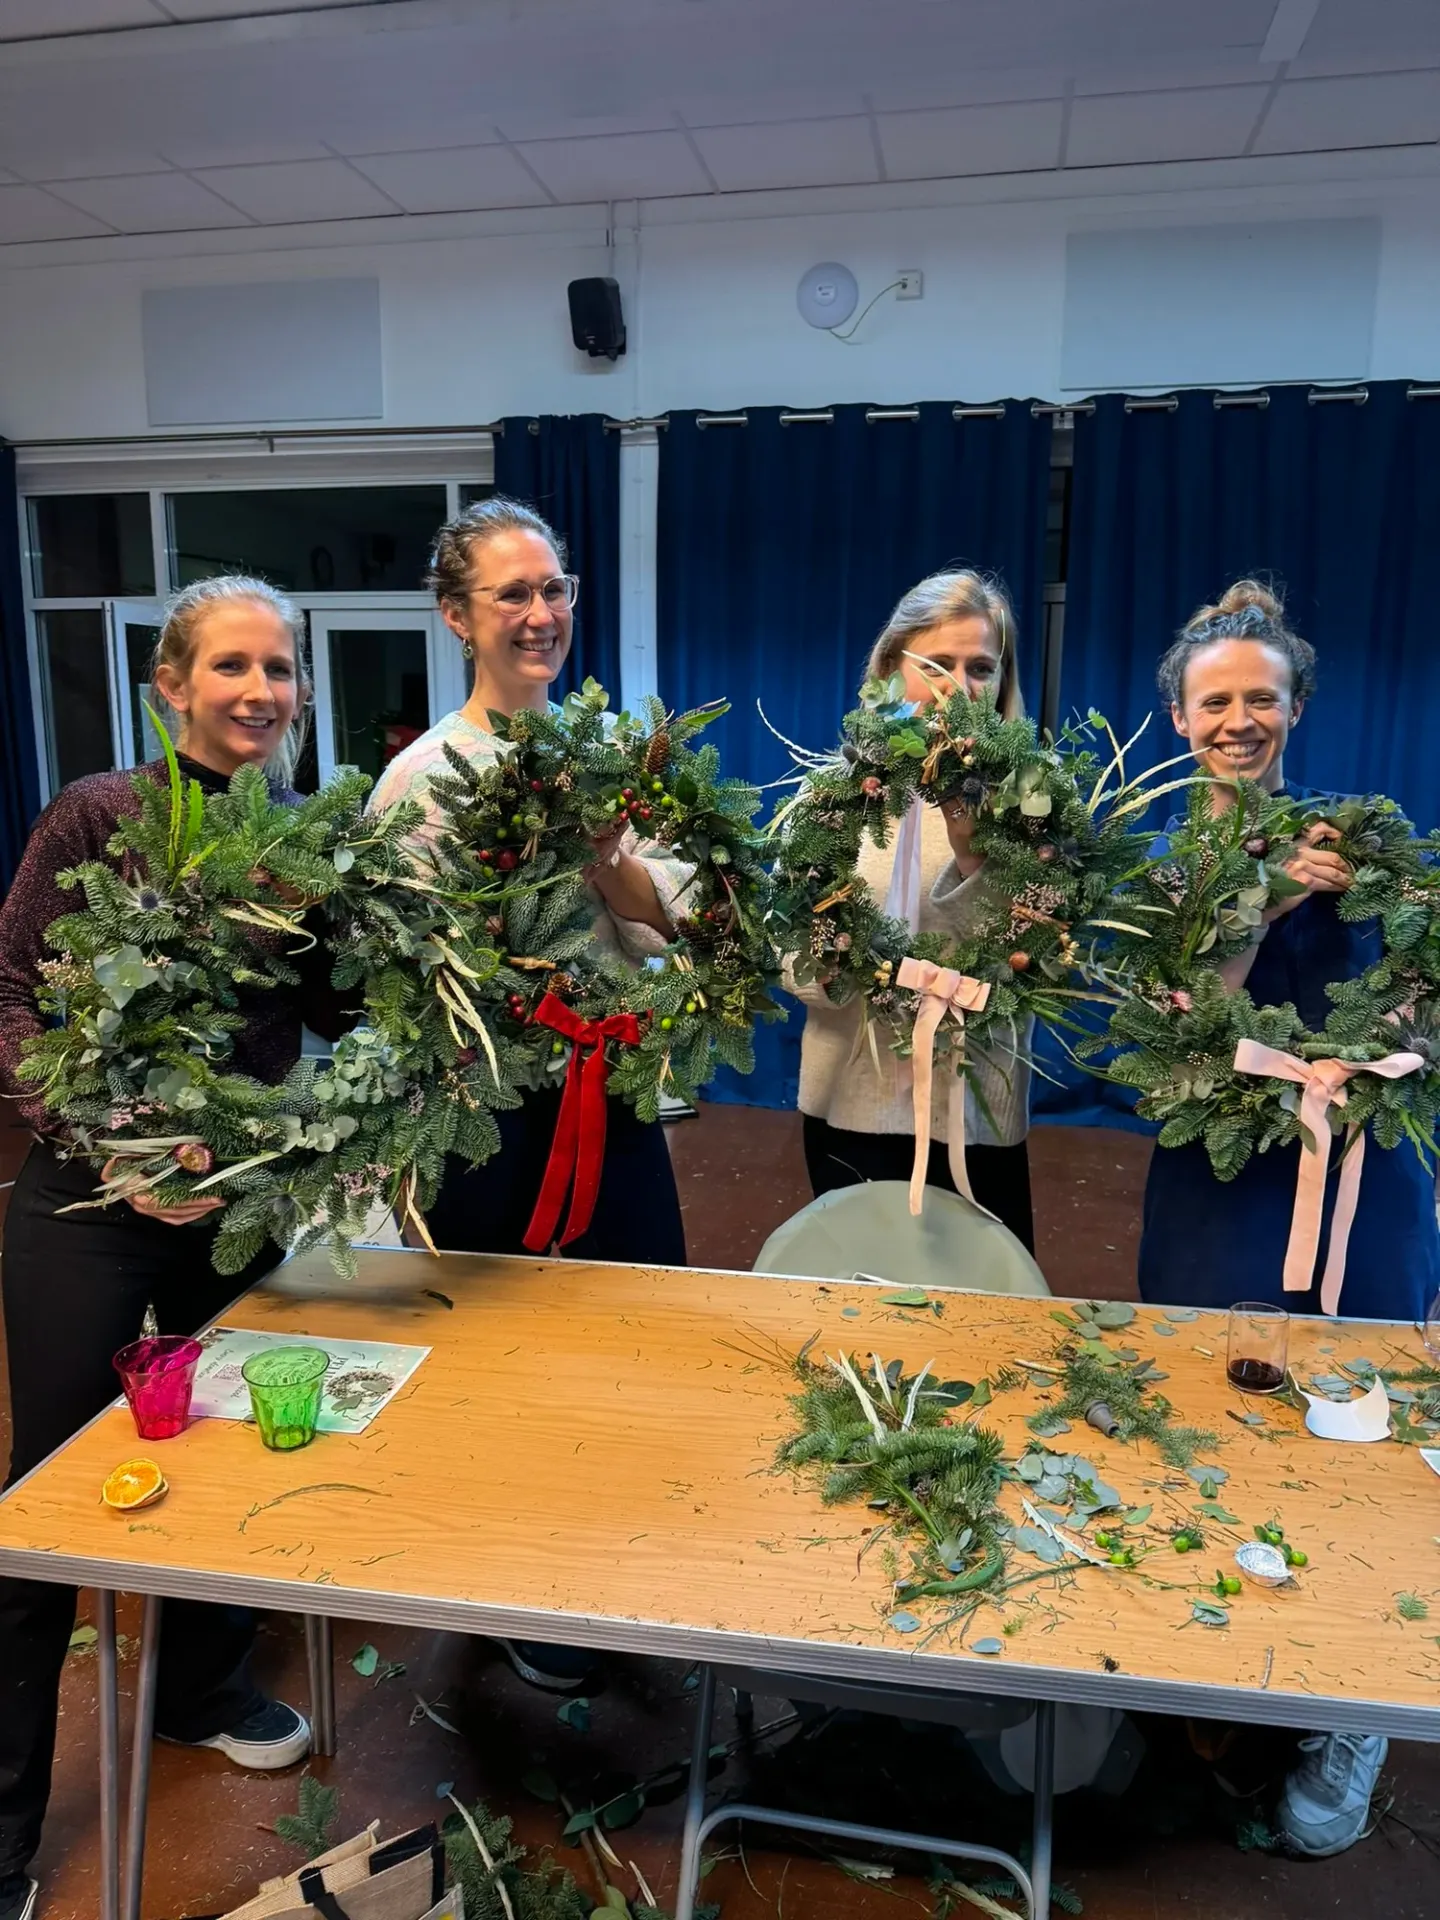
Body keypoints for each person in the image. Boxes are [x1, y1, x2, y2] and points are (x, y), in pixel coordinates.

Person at [0, 577, 351, 1920]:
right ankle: (4, 1833)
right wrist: (108, 1143)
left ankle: (198, 1692)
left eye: (280, 669)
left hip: (232, 1207)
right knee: (46, 1504)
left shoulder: (300, 841)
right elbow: (16, 988)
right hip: (91, 1208)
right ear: (172, 685)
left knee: (226, 1455)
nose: (260, 690)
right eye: (232, 667)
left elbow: (328, 995)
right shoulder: (100, 814)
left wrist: (397, 932)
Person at [369, 498, 690, 1692]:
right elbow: (407, 982)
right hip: (490, 1118)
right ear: (458, 617)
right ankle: (515, 1586)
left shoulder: (612, 760)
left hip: (615, 1097)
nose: (542, 612)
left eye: (554, 588)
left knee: (641, 1328)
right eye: (512, 593)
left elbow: (670, 933)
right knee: (502, 1357)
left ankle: (626, 1565)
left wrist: (610, 862)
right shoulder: (423, 783)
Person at [1138, 579, 1432, 1856]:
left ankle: (1353, 1709)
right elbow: (1164, 1026)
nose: (1240, 718)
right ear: (1179, 716)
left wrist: (1392, 1047)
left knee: (1357, 1428)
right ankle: (1206, 1653)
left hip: (1359, 1175)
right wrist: (1254, 897)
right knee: (1209, 1401)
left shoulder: (1377, 849)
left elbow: (1422, 1002)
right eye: (1216, 700)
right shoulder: (1153, 861)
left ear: (1298, 709)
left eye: (1262, 697)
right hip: (1219, 1175)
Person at [793, 569, 1035, 1249]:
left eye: (981, 667)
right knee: (858, 1307)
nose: (960, 686)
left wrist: (973, 853)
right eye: (937, 664)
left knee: (982, 1315)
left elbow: (1025, 965)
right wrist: (852, 964)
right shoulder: (831, 799)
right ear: (891, 669)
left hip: (974, 1118)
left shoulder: (1033, 808)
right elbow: (796, 972)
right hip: (852, 1106)